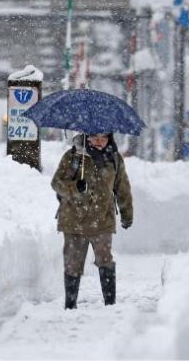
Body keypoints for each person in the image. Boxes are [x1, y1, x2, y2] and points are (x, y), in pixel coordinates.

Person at [51, 132, 133, 309]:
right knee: (73, 263)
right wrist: (74, 188)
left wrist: (127, 215)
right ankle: (70, 305)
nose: (99, 142)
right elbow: (56, 183)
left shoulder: (114, 159)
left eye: (104, 138)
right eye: (95, 138)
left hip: (102, 220)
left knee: (105, 260)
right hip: (73, 220)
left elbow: (122, 188)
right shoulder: (73, 156)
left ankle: (110, 304)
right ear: (87, 138)